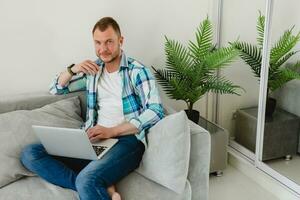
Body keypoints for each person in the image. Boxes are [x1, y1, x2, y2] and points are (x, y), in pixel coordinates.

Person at [20, 17, 164, 200]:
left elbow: (156, 111)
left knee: (87, 180)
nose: (103, 49)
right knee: (31, 154)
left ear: (121, 41)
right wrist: (74, 69)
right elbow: (56, 88)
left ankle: (92, 182)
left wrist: (111, 131)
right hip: (92, 140)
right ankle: (104, 187)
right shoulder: (93, 72)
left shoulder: (137, 71)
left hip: (127, 141)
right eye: (98, 42)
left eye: (109, 42)